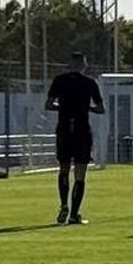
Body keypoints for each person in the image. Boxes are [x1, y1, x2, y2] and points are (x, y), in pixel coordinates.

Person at [45, 52, 105, 225]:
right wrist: (85, 108)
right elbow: (101, 108)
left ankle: (63, 204)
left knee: (64, 169)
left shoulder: (59, 81)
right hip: (81, 130)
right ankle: (74, 214)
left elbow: (48, 105)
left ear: (69, 65)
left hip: (64, 129)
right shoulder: (89, 83)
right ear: (84, 65)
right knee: (80, 173)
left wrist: (64, 108)